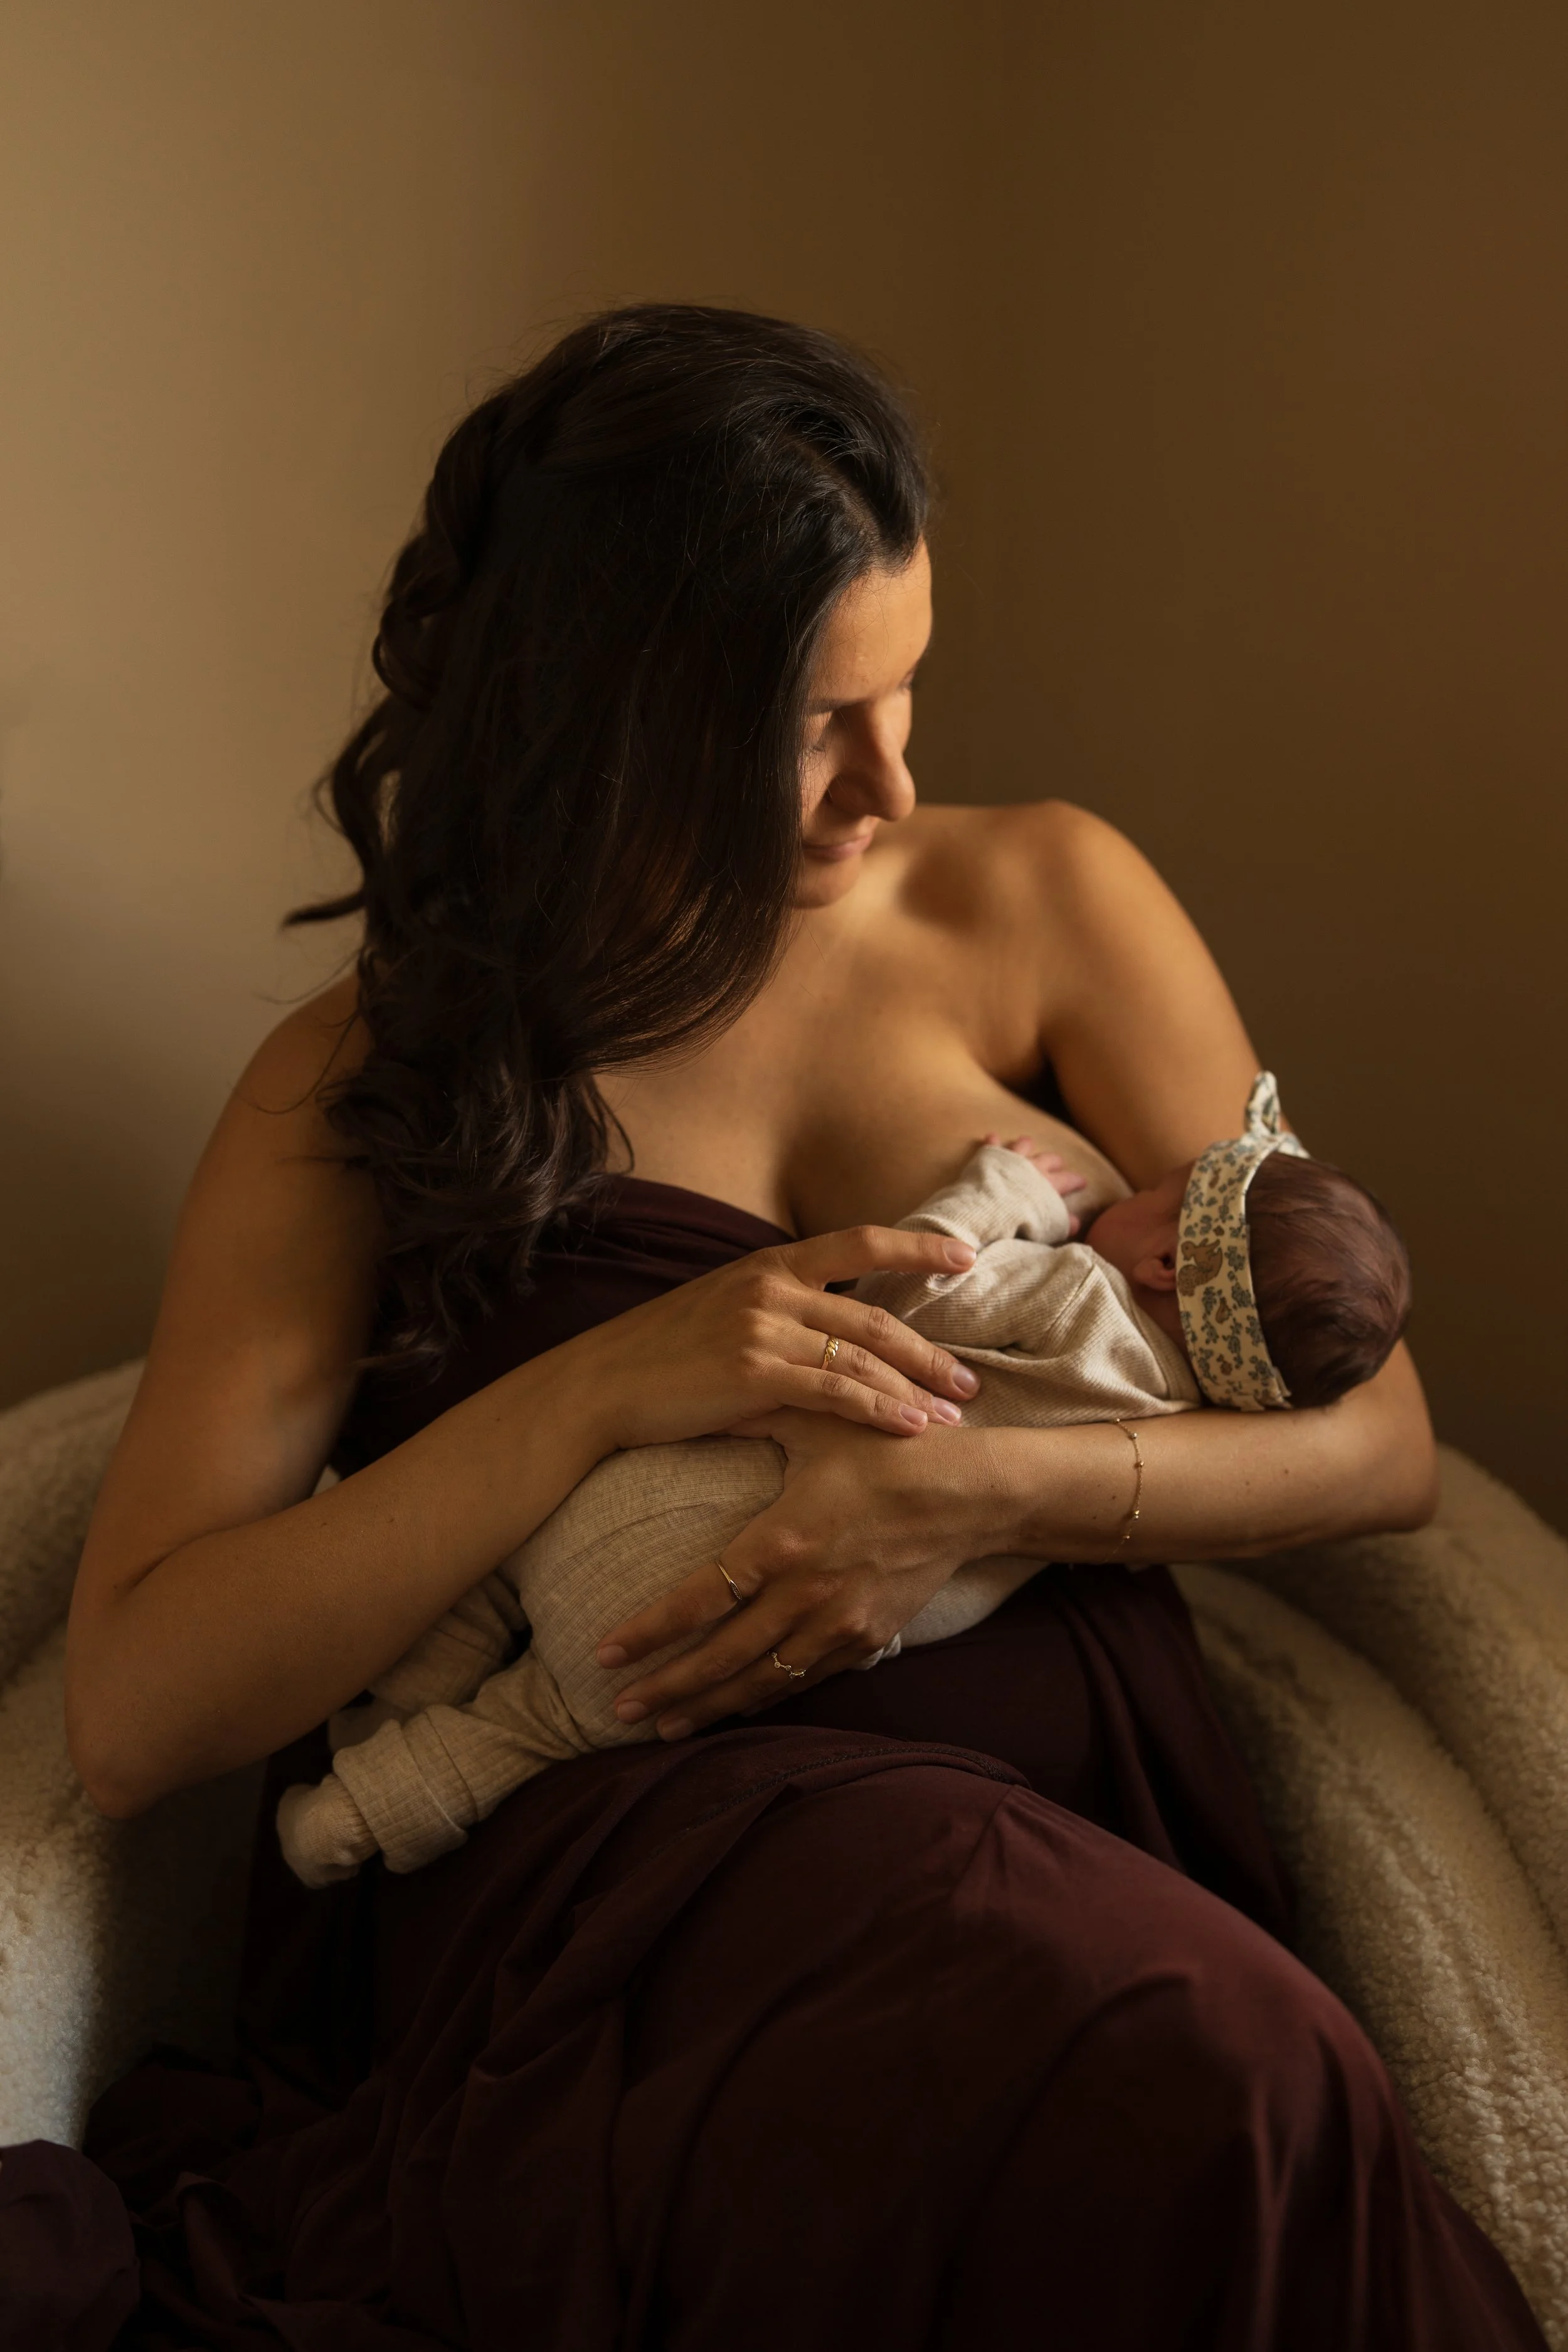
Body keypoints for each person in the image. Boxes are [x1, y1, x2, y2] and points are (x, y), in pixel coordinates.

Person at [26, 304, 1541, 2351]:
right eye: (815, 723)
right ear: (610, 717)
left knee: (1221, 2076)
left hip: (1086, 1850)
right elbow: (134, 1708)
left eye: (910, 692)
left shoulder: (1051, 906)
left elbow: (1372, 1443)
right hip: (630, 1915)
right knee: (1210, 2066)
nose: (890, 785)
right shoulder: (361, 1087)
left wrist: (968, 1503)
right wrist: (595, 1393)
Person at [275, 1089, 1412, 1890]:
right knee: (528, 1725)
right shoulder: (1174, 1424)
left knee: (498, 1580)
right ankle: (352, 1820)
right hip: (742, 1639)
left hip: (672, 1514)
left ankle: (373, 1699)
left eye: (1159, 1191)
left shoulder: (1072, 1302)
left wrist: (998, 1192)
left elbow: (905, 1295)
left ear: (1165, 1263)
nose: (1133, 1189)